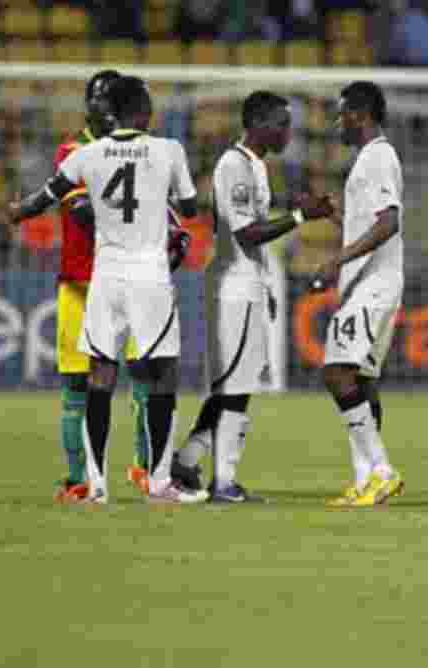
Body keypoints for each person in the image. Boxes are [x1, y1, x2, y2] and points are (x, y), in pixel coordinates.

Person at [8, 76, 205, 504]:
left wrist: (19, 210)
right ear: (145, 111)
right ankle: (159, 482)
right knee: (161, 373)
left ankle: (96, 486)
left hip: (106, 277)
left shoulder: (87, 154)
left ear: (110, 112)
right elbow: (189, 209)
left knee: (99, 375)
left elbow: (46, 197)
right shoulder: (169, 150)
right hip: (149, 276)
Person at [172, 91, 333, 502]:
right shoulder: (235, 166)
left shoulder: (256, 167)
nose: (287, 132)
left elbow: (253, 239)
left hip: (249, 283)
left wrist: (266, 284)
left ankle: (188, 461)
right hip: (233, 286)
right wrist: (300, 217)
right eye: (281, 123)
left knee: (233, 385)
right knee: (236, 386)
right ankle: (223, 482)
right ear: (259, 124)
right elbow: (245, 234)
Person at [16, 70, 153, 501]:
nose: (107, 105)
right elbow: (79, 213)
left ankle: (146, 470)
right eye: (99, 98)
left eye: (114, 98)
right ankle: (78, 478)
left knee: (145, 379)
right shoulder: (72, 151)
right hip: (81, 281)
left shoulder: (140, 151)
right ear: (89, 104)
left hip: (133, 279)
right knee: (78, 385)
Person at [310, 81, 405, 507]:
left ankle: (382, 471)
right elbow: (368, 223)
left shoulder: (378, 157)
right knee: (362, 380)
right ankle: (367, 480)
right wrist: (336, 217)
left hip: (373, 283)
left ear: (361, 115)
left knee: (337, 371)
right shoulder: (369, 159)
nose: (337, 122)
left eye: (342, 113)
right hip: (372, 281)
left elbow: (389, 223)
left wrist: (337, 259)